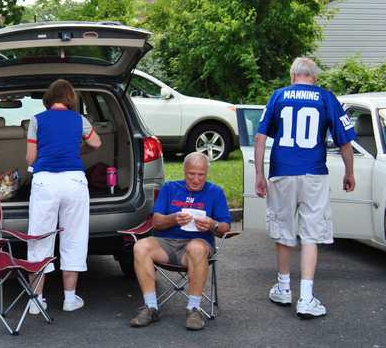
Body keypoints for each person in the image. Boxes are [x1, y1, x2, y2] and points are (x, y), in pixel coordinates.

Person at [255, 57, 355, 319]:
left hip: (282, 171)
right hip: (313, 172)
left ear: (292, 76)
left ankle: (284, 287)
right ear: (315, 77)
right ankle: (307, 297)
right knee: (311, 232)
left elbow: (260, 136)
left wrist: (258, 174)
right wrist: (349, 172)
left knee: (283, 228)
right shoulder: (326, 97)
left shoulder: (278, 96)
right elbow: (345, 140)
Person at [129, 152, 231, 330]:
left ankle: (194, 309)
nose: (196, 179)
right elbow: (157, 222)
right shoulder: (169, 188)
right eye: (192, 174)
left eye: (201, 175)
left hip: (197, 246)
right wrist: (173, 219)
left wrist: (212, 224)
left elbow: (225, 228)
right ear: (184, 171)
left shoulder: (215, 192)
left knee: (196, 248)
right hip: (166, 244)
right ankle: (151, 307)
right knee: (140, 246)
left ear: (206, 173)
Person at [25, 79, 102, 315]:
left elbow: (30, 158)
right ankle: (70, 298)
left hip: (45, 181)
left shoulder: (37, 120)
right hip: (74, 181)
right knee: (74, 236)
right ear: (70, 99)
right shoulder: (80, 120)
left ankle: (36, 300)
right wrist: (78, 149)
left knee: (39, 237)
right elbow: (97, 143)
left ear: (49, 97)